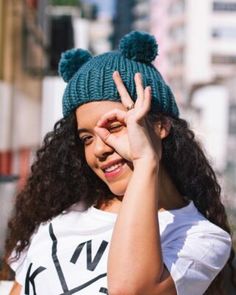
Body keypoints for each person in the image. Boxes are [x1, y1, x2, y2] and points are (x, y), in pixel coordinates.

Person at [1, 31, 235, 295]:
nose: (99, 148)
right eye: (86, 138)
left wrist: (146, 161)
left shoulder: (199, 237)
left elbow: (130, 290)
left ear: (160, 125)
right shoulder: (54, 226)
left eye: (115, 126)